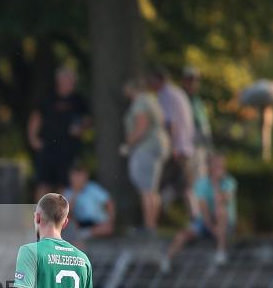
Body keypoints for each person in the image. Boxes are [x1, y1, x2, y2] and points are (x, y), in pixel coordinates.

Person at [162, 153, 236, 270]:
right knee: (183, 234)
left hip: (224, 223)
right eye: (217, 165)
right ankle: (167, 259)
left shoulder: (229, 182)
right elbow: (203, 209)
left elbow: (223, 201)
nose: (220, 168)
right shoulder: (201, 184)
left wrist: (216, 184)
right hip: (206, 222)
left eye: (222, 165)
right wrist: (212, 228)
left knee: (221, 212)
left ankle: (220, 251)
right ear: (210, 167)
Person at [28, 67, 91, 200]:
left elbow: (87, 120)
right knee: (43, 183)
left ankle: (59, 218)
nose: (68, 84)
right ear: (58, 81)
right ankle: (40, 218)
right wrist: (33, 138)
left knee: (65, 185)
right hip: (48, 147)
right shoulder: (48, 98)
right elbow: (36, 118)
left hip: (69, 149)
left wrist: (80, 127)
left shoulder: (78, 100)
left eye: (71, 81)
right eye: (65, 80)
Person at [147, 66, 196, 216]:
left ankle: (195, 217)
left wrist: (172, 146)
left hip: (177, 148)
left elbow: (170, 124)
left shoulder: (165, 95)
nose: (150, 85)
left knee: (175, 185)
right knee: (178, 185)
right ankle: (190, 216)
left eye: (152, 81)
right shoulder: (178, 92)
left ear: (159, 81)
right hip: (185, 146)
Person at [122, 78, 169, 231]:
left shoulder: (140, 102)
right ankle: (152, 225)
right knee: (152, 189)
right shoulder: (151, 99)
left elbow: (141, 126)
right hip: (159, 145)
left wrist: (128, 144)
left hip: (147, 147)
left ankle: (149, 226)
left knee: (146, 190)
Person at [63, 163, 115, 242]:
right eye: (75, 176)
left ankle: (85, 233)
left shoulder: (93, 188)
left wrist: (110, 220)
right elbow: (66, 213)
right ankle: (81, 234)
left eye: (80, 176)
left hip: (96, 222)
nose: (78, 179)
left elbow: (109, 203)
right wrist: (75, 193)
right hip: (79, 223)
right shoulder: (68, 193)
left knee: (107, 228)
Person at [181, 67, 212, 181]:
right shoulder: (183, 99)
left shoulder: (197, 100)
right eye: (189, 80)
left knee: (199, 179)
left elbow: (204, 125)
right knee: (191, 181)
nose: (192, 83)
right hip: (189, 146)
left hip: (200, 145)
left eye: (195, 80)